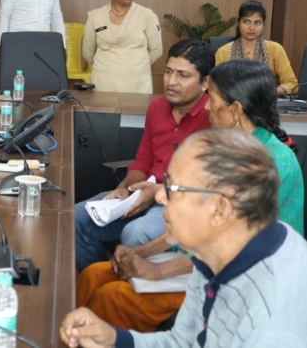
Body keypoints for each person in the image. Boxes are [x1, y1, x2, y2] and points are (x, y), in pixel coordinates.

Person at [61, 129, 307, 348]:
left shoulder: (272, 326)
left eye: (174, 189)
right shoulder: (219, 253)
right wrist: (115, 339)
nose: (161, 197)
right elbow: (184, 341)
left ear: (220, 209)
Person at [75, 59, 305, 332]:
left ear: (234, 110)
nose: (206, 106)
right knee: (93, 275)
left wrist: (155, 270)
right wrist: (140, 252)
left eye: (213, 99)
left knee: (114, 298)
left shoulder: (269, 164)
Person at [74, 39, 213, 272]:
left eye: (183, 75)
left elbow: (208, 186)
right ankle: (102, 279)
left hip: (181, 203)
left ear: (205, 82)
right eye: (168, 72)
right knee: (78, 216)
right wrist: (124, 188)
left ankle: (127, 287)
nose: (171, 81)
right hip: (141, 193)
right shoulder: (157, 107)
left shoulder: (213, 116)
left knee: (135, 234)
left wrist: (158, 192)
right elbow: (143, 159)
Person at [82, 0, 163, 94]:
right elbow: (87, 52)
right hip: (103, 83)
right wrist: (109, 68)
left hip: (137, 84)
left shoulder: (147, 15)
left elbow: (156, 50)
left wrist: (135, 66)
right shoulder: (95, 16)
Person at [215, 0, 298, 96]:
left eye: (257, 23)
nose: (252, 27)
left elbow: (292, 84)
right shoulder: (223, 52)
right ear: (238, 23)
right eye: (246, 22)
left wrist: (269, 92)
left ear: (263, 25)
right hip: (232, 101)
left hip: (265, 102)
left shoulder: (275, 49)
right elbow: (216, 86)